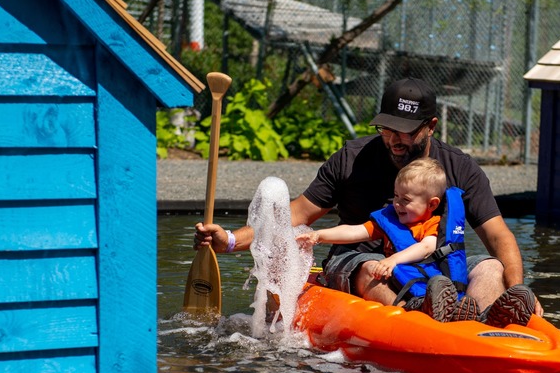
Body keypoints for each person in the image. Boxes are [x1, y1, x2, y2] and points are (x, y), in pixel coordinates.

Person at [194, 77, 540, 327]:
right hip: (358, 263)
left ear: (431, 126)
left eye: (405, 130)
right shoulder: (352, 158)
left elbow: (499, 237)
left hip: (433, 270)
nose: (394, 139)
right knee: (371, 266)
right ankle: (421, 322)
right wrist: (230, 239)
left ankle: (484, 321)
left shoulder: (460, 168)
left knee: (491, 267)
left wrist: (519, 287)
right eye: (387, 128)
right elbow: (298, 214)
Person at [295, 158, 478, 322]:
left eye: (406, 199)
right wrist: (319, 236)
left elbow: (427, 247)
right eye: (396, 196)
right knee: (375, 270)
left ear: (432, 204)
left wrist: (393, 259)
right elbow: (355, 231)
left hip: (428, 283)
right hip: (402, 284)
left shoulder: (433, 224)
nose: (397, 204)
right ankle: (421, 308)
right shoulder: (390, 220)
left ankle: (459, 311)